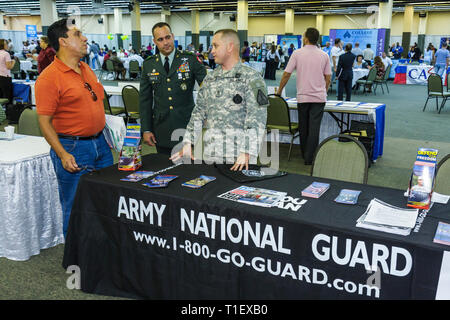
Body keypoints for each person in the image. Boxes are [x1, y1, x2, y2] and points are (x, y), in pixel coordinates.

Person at [35, 19, 113, 237]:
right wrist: (62, 154)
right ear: (63, 41)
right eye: (78, 34)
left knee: (103, 200)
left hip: (100, 144)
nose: (85, 38)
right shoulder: (49, 78)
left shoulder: (85, 68)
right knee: (75, 205)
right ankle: (76, 260)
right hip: (74, 148)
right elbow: (44, 121)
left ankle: (98, 252)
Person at [171, 29, 269, 171]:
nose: (212, 51)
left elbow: (258, 118)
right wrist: (188, 142)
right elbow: (198, 112)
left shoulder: (252, 78)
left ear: (229, 47)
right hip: (212, 153)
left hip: (239, 156)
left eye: (216, 46)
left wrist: (247, 152)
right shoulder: (210, 78)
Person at [139, 22, 207, 155]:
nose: (165, 42)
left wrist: (204, 114)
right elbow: (145, 99)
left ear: (173, 36)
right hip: (161, 127)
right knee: (163, 169)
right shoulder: (149, 64)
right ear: (155, 42)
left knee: (187, 168)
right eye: (160, 39)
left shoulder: (189, 59)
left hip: (186, 126)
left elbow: (208, 88)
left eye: (168, 37)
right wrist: (146, 129)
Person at [276, 27, 331, 165]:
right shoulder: (324, 55)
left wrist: (279, 91)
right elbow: (328, 77)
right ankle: (310, 158)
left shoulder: (297, 53)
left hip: (303, 97)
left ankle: (304, 153)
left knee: (304, 127)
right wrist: (324, 91)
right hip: (319, 98)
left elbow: (286, 74)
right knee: (314, 128)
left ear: (306, 38)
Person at [0, 39, 15, 103]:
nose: (7, 45)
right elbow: (9, 67)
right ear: (3, 45)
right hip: (5, 77)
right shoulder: (6, 54)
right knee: (7, 97)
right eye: (6, 44)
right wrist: (13, 62)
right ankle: (8, 112)